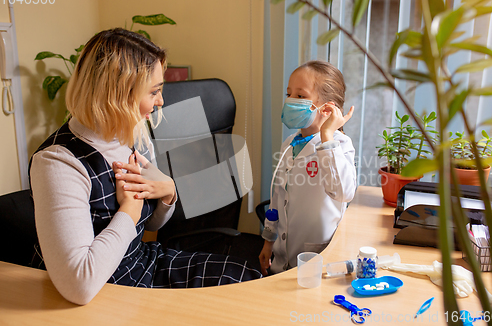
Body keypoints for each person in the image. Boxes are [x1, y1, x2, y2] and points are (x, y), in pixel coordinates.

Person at [29, 28, 261, 305]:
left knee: (246, 279)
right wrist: (129, 210)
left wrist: (167, 194)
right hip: (103, 291)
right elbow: (79, 285)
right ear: (117, 94)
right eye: (154, 92)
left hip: (140, 264)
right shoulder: (59, 163)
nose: (161, 101)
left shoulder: (128, 135)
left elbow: (151, 223)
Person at [259, 60, 356, 275]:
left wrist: (327, 137)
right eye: (289, 94)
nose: (291, 100)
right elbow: (277, 197)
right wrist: (268, 241)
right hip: (281, 257)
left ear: (327, 107)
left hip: (317, 259)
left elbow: (343, 193)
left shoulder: (339, 145)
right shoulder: (289, 144)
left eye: (300, 96)